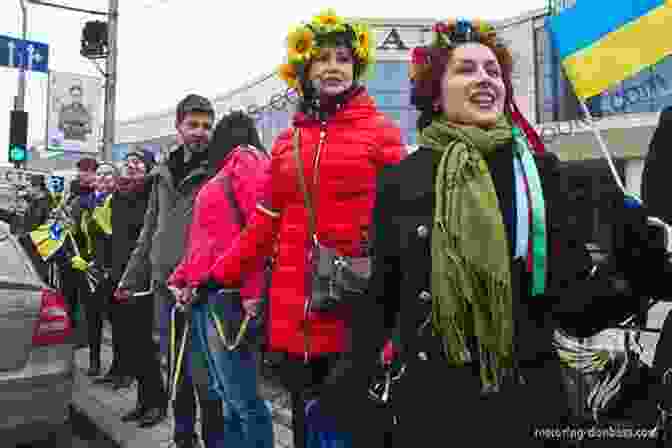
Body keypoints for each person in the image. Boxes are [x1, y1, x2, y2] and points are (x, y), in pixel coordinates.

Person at [324, 19, 670, 447]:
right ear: (436, 89)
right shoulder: (401, 181)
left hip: (529, 405)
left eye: (493, 71)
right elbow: (384, 298)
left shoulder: (543, 177)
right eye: (466, 69)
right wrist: (351, 380)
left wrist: (636, 273)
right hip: (431, 406)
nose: (485, 79)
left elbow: (576, 309)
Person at [206, 9, 405, 448]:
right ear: (304, 70)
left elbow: (403, 227)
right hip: (296, 323)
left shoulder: (382, 134)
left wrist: (394, 327)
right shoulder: (286, 143)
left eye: (343, 59)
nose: (333, 67)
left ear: (356, 70)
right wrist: (219, 276)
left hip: (357, 321)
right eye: (322, 59)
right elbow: (265, 223)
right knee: (305, 433)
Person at [168, 111, 274, 448]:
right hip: (209, 295)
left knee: (241, 400)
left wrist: (253, 291)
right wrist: (182, 277)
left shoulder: (245, 159)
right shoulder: (228, 168)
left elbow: (260, 231)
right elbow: (206, 240)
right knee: (227, 398)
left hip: (229, 296)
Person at [115, 94, 216, 448]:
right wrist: (131, 278)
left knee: (206, 375)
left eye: (206, 125)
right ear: (178, 127)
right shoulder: (162, 174)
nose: (200, 132)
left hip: (201, 288)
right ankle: (183, 437)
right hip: (162, 286)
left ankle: (211, 441)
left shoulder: (217, 169)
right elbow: (149, 230)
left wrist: (201, 276)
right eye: (193, 125)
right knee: (175, 368)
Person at [109, 150, 168, 427]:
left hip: (144, 281)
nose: (131, 165)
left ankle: (156, 404)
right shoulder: (118, 195)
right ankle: (142, 403)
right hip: (122, 277)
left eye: (139, 162)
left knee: (146, 347)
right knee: (131, 344)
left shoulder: (151, 194)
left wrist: (139, 276)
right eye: (128, 161)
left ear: (149, 169)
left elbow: (148, 238)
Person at [72, 162, 119, 379]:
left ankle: (119, 367)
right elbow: (75, 236)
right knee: (92, 317)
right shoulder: (84, 202)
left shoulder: (122, 201)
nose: (103, 178)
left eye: (109, 175)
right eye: (100, 174)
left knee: (116, 320)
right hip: (89, 269)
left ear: (116, 179)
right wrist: (78, 257)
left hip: (114, 270)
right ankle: (94, 360)